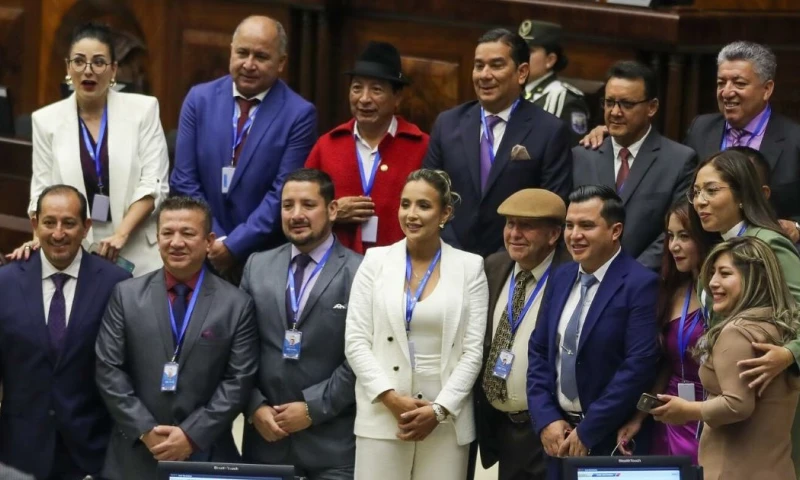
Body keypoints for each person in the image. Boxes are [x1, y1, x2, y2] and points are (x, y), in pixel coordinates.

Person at [95, 196, 258, 479]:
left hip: (205, 454)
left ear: (209, 241)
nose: (176, 242)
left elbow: (238, 380)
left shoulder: (236, 304)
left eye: (188, 233)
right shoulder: (126, 295)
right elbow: (108, 369)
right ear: (157, 238)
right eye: (167, 233)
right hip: (135, 453)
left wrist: (191, 436)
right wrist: (145, 429)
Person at [345, 169, 488, 480]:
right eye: (405, 204)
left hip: (445, 421)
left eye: (423, 205)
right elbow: (355, 341)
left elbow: (473, 352)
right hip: (383, 415)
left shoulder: (470, 267)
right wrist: (391, 399)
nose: (411, 214)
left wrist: (439, 411)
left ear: (445, 213)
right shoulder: (374, 261)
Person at [581, 41, 800, 239]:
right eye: (721, 82)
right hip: (704, 255)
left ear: (767, 89)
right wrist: (614, 132)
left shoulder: (794, 140)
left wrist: (797, 228)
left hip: (767, 258)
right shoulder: (701, 128)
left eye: (739, 83)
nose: (726, 92)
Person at [11, 22, 169, 276]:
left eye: (98, 62)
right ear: (68, 68)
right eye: (79, 61)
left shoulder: (144, 110)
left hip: (137, 250)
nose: (88, 71)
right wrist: (38, 237)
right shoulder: (46, 120)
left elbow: (154, 183)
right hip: (77, 252)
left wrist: (121, 234)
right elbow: (42, 190)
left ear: (113, 69)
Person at [527, 185, 660, 480]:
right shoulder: (561, 276)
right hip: (558, 437)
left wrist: (588, 431)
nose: (574, 235)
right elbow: (538, 351)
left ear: (615, 231)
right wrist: (546, 418)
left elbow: (638, 366)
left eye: (586, 225)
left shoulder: (640, 283)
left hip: (610, 442)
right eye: (569, 225)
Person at [170, 15, 317, 281]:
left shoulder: (299, 114)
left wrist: (234, 245)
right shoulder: (198, 99)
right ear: (231, 52)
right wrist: (214, 239)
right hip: (200, 252)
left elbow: (282, 193)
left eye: (261, 57)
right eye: (242, 53)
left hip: (261, 260)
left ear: (281, 62)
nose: (249, 64)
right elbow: (184, 179)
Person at [0, 185, 131, 479]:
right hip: (19, 452)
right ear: (35, 225)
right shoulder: (5, 283)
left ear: (86, 227)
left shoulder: (117, 284)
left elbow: (126, 369)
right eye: (49, 223)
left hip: (92, 452)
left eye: (69, 223)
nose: (58, 233)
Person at [240, 169, 362, 479]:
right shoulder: (256, 266)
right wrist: (253, 407)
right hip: (265, 441)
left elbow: (362, 356)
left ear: (332, 210)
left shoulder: (362, 271)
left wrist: (312, 408)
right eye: (287, 205)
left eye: (308, 205)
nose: (296, 215)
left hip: (332, 446)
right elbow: (238, 349)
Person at [687, 149, 800, 475]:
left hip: (764, 400)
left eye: (711, 190)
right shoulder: (722, 248)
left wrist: (789, 354)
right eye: (696, 192)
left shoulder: (768, 243)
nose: (700, 201)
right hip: (727, 399)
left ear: (740, 195)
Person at [650, 236, 800, 480]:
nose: (713, 283)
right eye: (712, 274)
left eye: (725, 274)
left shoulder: (737, 333)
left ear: (755, 278)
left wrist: (686, 409)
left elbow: (737, 405)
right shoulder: (783, 325)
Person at [423, 28, 572, 257]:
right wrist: (454, 254)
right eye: (479, 65)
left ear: (521, 72)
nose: (484, 74)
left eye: (496, 65)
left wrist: (501, 261)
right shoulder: (448, 123)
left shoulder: (549, 131)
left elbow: (551, 209)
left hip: (515, 263)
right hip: (449, 258)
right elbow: (429, 195)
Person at [475, 188, 571, 480]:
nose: (514, 234)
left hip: (546, 427)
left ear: (553, 235)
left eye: (526, 226)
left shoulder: (571, 274)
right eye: (510, 224)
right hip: (498, 428)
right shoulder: (494, 266)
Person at [616, 199, 717, 462]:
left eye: (684, 236)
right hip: (670, 415)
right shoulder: (672, 290)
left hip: (711, 414)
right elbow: (668, 364)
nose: (674, 245)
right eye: (670, 236)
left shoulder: (723, 294)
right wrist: (639, 417)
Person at [572, 61, 695, 270]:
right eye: (609, 102)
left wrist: (629, 277)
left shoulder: (679, 160)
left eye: (626, 104)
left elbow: (674, 232)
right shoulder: (582, 155)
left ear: (652, 107)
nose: (615, 112)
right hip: (584, 276)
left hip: (644, 282)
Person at [306, 42, 427, 254]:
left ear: (397, 97)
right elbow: (300, 207)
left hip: (400, 268)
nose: (364, 98)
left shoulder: (421, 146)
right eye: (357, 88)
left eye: (376, 90)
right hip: (334, 269)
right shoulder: (328, 145)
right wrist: (330, 212)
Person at [518, 19, 590, 145]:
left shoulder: (566, 100)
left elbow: (574, 153)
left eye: (529, 51)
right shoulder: (511, 92)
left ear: (550, 60)